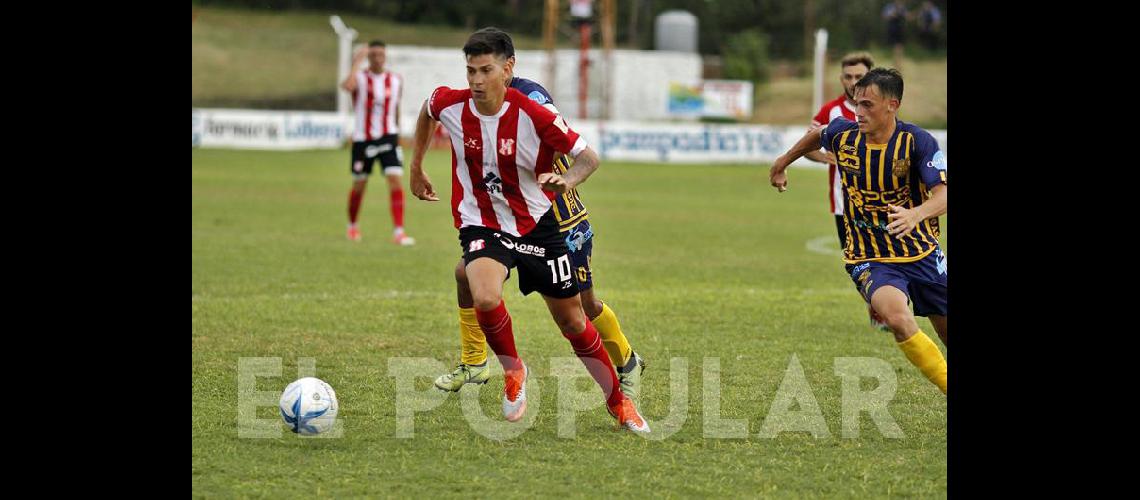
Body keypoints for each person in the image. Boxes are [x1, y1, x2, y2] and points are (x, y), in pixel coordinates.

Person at [408, 28, 650, 432]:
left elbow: (588, 157)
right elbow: (427, 110)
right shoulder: (452, 103)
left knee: (574, 321)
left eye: (486, 70)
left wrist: (568, 180)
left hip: (540, 225)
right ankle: (512, 370)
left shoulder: (532, 111)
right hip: (483, 223)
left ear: (508, 69)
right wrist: (416, 167)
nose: (476, 81)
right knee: (483, 293)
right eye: (470, 71)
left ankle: (618, 401)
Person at [769, 68, 947, 394]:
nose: (858, 112)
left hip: (921, 252)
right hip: (868, 255)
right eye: (856, 104)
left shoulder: (917, 142)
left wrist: (915, 215)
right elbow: (818, 133)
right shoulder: (844, 134)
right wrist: (783, 161)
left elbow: (943, 194)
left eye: (868, 105)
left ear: (892, 105)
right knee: (896, 318)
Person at [805, 52, 887, 330]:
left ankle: (889, 307)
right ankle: (879, 308)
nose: (853, 82)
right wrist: (824, 157)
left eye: (859, 77)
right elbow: (809, 144)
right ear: (841, 78)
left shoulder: (883, 108)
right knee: (858, 264)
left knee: (888, 256)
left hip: (882, 201)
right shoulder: (830, 112)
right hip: (844, 205)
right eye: (848, 77)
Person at [341, 40, 414, 245]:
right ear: (368, 57)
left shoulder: (396, 79)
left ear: (385, 56)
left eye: (380, 54)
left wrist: (398, 133)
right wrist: (357, 61)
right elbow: (347, 86)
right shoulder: (360, 78)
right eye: (372, 55)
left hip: (388, 137)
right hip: (363, 140)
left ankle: (399, 231)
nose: (377, 58)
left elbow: (396, 108)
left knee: (395, 180)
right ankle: (352, 226)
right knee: (360, 184)